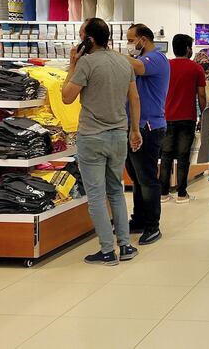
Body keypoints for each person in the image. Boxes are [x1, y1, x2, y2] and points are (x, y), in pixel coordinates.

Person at [62, 18, 142, 265]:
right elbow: (134, 98)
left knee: (96, 195)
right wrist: (135, 130)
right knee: (116, 190)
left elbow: (66, 97)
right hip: (119, 134)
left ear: (89, 39)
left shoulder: (85, 63)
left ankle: (107, 251)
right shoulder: (122, 62)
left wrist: (73, 64)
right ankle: (126, 246)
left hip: (92, 136)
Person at [124, 23, 170, 245]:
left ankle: (153, 226)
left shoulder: (157, 59)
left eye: (131, 40)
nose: (130, 44)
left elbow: (137, 67)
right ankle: (139, 219)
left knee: (148, 179)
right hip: (134, 126)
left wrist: (108, 53)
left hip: (149, 128)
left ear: (143, 39)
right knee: (137, 178)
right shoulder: (140, 60)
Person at [160, 34, 206, 204]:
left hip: (166, 117)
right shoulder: (196, 69)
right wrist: (204, 115)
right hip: (187, 118)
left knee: (165, 156)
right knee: (183, 156)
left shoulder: (166, 66)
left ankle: (163, 193)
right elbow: (201, 95)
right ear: (188, 49)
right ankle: (181, 194)